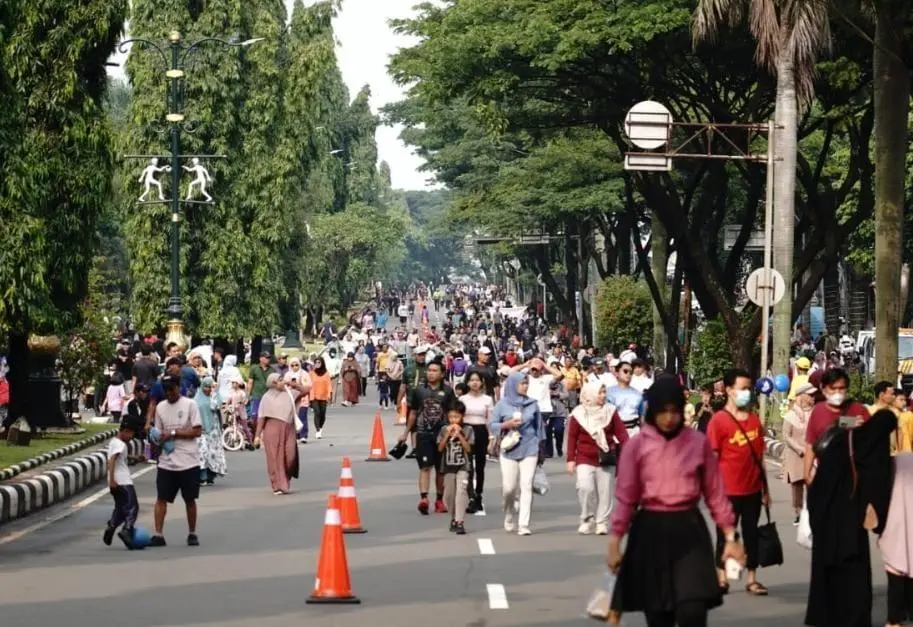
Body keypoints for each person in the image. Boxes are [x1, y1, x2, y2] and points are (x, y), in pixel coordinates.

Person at [608, 375, 745, 627]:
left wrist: (730, 536)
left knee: (693, 610)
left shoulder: (697, 443)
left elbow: (715, 493)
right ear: (652, 410)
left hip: (689, 529)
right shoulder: (636, 447)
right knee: (659, 614)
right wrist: (614, 541)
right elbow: (626, 498)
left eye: (674, 411)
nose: (669, 418)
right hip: (650, 531)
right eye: (663, 411)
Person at [805, 409, 896, 626]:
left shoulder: (844, 439)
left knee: (827, 566)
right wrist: (880, 522)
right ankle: (853, 618)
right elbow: (878, 484)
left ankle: (826, 615)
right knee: (853, 570)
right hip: (849, 519)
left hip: (825, 513)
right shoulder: (873, 448)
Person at [706, 368, 768, 596]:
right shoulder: (718, 421)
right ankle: (722, 578)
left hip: (752, 489)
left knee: (751, 535)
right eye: (743, 389)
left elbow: (760, 457)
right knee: (725, 535)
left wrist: (766, 490)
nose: (747, 393)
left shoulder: (754, 421)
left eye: (749, 389)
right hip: (727, 491)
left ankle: (752, 579)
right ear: (729, 390)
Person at [566, 381, 629, 535]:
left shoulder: (610, 411)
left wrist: (629, 452)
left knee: (605, 492)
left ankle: (602, 522)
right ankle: (587, 519)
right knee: (584, 487)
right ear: (590, 394)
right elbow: (572, 437)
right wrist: (570, 459)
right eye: (600, 392)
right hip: (584, 457)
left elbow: (621, 433)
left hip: (606, 457)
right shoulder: (579, 413)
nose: (603, 395)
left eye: (604, 392)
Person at [396, 358, 455, 515]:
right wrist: (405, 433)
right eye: (429, 370)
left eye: (435, 371)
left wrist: (454, 431)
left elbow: (452, 413)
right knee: (425, 467)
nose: (431, 373)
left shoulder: (448, 391)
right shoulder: (419, 391)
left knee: (441, 470)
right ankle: (424, 498)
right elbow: (413, 413)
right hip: (423, 434)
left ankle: (439, 500)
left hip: (442, 435)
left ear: (442, 374)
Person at [150, 374, 203, 547]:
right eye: (166, 390)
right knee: (161, 498)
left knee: (189, 499)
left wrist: (174, 433)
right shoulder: (160, 407)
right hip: (167, 462)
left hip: (188, 461)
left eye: (171, 389)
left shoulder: (190, 405)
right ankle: (158, 534)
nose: (169, 393)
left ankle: (192, 533)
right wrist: (157, 441)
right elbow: (158, 433)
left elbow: (197, 431)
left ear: (178, 387)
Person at [490, 372, 543, 536]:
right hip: (509, 448)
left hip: (530, 447)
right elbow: (492, 425)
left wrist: (541, 449)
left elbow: (540, 428)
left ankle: (523, 524)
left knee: (526, 485)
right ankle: (509, 514)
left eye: (526, 383)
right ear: (513, 384)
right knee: (509, 488)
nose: (525, 386)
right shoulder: (502, 404)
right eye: (522, 383)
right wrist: (507, 424)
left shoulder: (532, 404)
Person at [803, 367, 870, 484]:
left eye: (841, 388)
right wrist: (806, 474)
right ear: (823, 389)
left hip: (854, 477)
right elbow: (811, 444)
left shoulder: (859, 410)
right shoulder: (817, 411)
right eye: (833, 388)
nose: (837, 392)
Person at [879, 444, 913, 627]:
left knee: (895, 569)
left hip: (894, 524)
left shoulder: (894, 462)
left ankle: (894, 619)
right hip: (899, 523)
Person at [254, 373, 301, 495]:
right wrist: (257, 436)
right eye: (279, 380)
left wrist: (292, 384)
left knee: (290, 456)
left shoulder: (289, 393)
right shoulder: (266, 398)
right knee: (274, 459)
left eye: (282, 379)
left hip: (288, 429)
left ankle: (286, 478)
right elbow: (261, 418)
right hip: (272, 431)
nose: (282, 381)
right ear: (273, 383)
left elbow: (306, 390)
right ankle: (278, 485)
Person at [459, 370, 494, 515]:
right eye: (472, 380)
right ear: (467, 382)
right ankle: (470, 496)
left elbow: (490, 420)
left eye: (477, 380)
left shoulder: (488, 399)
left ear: (482, 382)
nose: (474, 383)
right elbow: (458, 418)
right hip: (466, 431)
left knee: (480, 466)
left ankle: (478, 495)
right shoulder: (462, 399)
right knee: (467, 467)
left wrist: (492, 439)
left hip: (481, 432)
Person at [437, 400, 474, 535]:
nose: (454, 420)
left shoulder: (468, 429)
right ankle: (453, 517)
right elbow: (440, 448)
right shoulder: (443, 429)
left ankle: (459, 521)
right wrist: (447, 435)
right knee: (449, 495)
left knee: (461, 492)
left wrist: (459, 435)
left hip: (463, 466)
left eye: (457, 417)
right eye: (451, 417)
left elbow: (469, 449)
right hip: (448, 467)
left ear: (462, 416)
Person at [103, 420, 139, 549]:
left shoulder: (114, 442)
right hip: (123, 481)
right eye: (131, 434)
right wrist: (112, 480)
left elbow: (118, 458)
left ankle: (112, 526)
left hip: (116, 480)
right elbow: (112, 460)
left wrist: (134, 458)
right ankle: (127, 530)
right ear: (125, 431)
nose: (131, 437)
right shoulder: (121, 444)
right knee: (132, 507)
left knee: (120, 507)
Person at [782, 382, 814, 524]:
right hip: (796, 456)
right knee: (797, 486)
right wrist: (799, 449)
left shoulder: (815, 413)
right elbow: (786, 436)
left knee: (813, 484)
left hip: (812, 455)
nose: (813, 397)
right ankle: (798, 512)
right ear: (802, 396)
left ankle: (813, 511)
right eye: (810, 395)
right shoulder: (790, 416)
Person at [195, 377, 226, 486]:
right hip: (201, 430)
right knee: (202, 454)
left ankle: (210, 477)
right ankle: (202, 477)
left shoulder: (215, 396)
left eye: (210, 387)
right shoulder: (197, 399)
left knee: (212, 453)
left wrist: (214, 393)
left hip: (213, 430)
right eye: (206, 387)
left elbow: (215, 406)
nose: (208, 389)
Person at [309, 357, 332, 439]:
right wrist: (309, 397)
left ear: (322, 363)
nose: (317, 364)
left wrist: (329, 394)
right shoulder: (311, 373)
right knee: (317, 413)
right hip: (314, 396)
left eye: (319, 362)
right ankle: (318, 431)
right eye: (316, 362)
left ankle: (320, 427)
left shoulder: (326, 373)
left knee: (323, 414)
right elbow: (309, 385)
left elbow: (329, 385)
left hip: (324, 396)